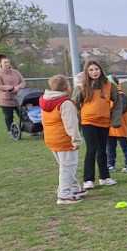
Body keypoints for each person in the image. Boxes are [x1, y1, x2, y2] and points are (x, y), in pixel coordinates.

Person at [72, 61, 122, 189]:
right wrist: (77, 120)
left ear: (101, 70)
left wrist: (116, 120)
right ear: (87, 72)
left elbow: (117, 103)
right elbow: (74, 104)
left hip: (104, 122)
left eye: (96, 69)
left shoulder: (109, 86)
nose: (94, 72)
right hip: (88, 122)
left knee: (102, 150)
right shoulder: (82, 86)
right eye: (91, 70)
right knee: (91, 150)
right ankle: (88, 179)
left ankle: (104, 177)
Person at [39, 75, 86, 204]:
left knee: (66, 165)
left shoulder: (44, 100)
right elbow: (71, 124)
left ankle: (74, 188)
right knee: (68, 166)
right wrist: (76, 139)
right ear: (66, 88)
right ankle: (64, 194)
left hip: (51, 138)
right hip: (63, 139)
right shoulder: (65, 103)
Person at [0, 54, 27, 134]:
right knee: (9, 116)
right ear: (0, 64)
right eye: (5, 62)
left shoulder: (16, 72)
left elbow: (23, 82)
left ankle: (29, 128)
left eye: (8, 62)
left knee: (23, 115)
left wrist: (17, 87)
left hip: (18, 98)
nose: (7, 64)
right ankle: (11, 131)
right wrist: (10, 87)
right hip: (5, 99)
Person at [107, 76, 127, 172]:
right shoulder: (107, 96)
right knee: (110, 147)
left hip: (120, 126)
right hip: (109, 127)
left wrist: (109, 113)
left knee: (124, 146)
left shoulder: (122, 96)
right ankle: (111, 164)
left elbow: (123, 108)